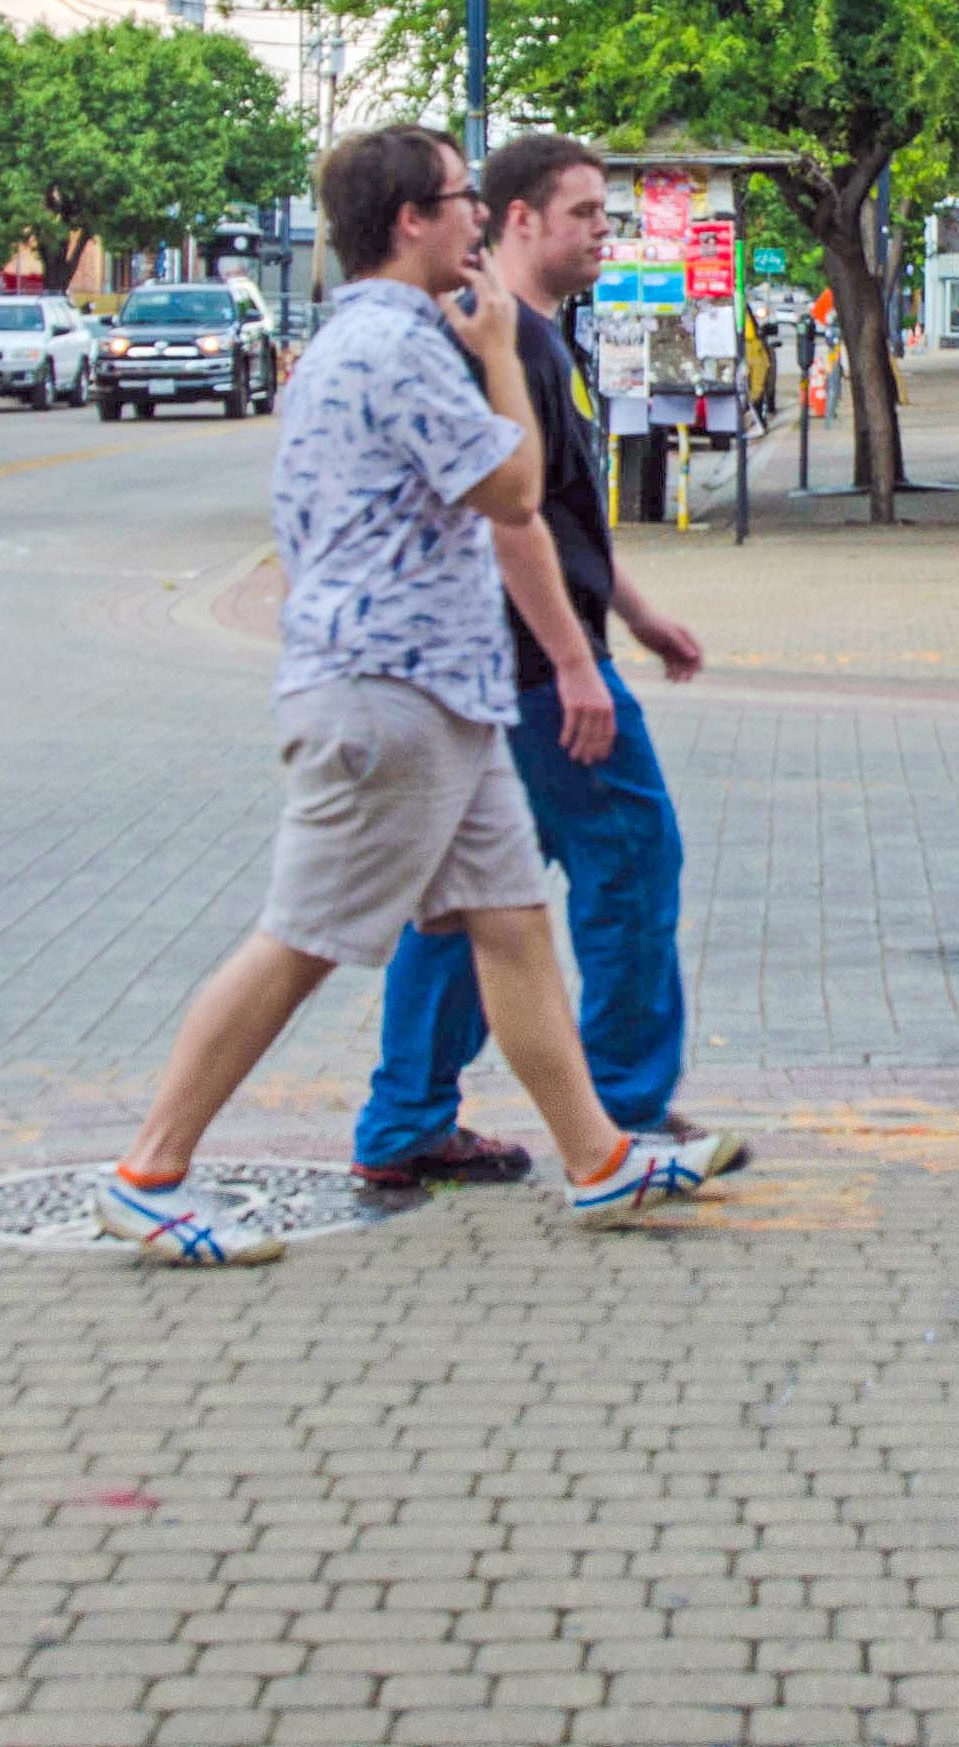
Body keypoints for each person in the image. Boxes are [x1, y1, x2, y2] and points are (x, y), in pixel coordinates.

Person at [98, 126, 733, 1266]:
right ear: (408, 220)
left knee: (511, 921)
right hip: (385, 694)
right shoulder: (402, 346)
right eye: (458, 198)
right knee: (301, 941)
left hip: (444, 694)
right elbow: (514, 489)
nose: (476, 216)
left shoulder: (359, 341)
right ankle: (149, 1171)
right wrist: (497, 352)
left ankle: (598, 1158)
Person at [351, 132, 748, 1196]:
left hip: (511, 665)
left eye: (606, 215)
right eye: (583, 214)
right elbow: (506, 519)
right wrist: (577, 664)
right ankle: (622, 1111)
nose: (601, 233)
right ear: (519, 219)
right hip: (530, 668)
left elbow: (565, 521)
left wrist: (641, 613)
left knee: (474, 897)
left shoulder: (534, 342)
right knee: (631, 858)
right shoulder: (500, 345)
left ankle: (407, 1118)